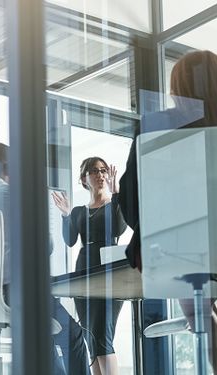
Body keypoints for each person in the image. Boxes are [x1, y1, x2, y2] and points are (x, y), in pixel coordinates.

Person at [117, 49, 217, 375]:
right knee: (212, 309)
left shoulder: (160, 125)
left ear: (179, 87)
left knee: (200, 312)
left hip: (179, 247)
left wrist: (148, 227)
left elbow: (132, 196)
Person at [0, 142, 91, 375]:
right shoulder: (11, 195)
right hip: (16, 295)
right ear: (8, 167)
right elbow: (44, 247)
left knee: (44, 340)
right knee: (74, 338)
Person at [52, 157, 127, 375]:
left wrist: (118, 195)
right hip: (84, 272)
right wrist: (66, 215)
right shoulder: (78, 211)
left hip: (110, 273)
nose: (100, 175)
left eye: (103, 170)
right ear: (84, 178)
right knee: (90, 337)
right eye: (94, 171)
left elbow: (119, 229)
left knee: (104, 335)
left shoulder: (114, 204)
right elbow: (70, 240)